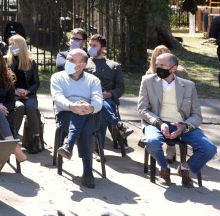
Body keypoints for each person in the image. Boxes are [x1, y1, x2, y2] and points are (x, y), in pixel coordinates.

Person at [138, 52, 217, 188]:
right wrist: (160, 123)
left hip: (182, 125)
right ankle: (164, 168)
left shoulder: (189, 85)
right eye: (157, 65)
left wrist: (184, 126)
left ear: (173, 68)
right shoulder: (147, 81)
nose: (158, 68)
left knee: (209, 148)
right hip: (156, 123)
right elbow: (142, 109)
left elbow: (197, 115)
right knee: (151, 142)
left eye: (162, 65)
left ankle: (185, 168)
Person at [50, 48, 103, 188]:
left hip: (90, 114)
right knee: (83, 123)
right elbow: (58, 97)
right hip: (65, 114)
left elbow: (98, 100)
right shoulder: (57, 77)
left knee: (84, 118)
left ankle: (68, 144)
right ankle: (88, 172)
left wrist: (90, 108)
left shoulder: (93, 80)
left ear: (82, 65)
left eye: (72, 60)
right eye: (68, 59)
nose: (68, 62)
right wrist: (72, 106)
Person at [86, 34, 133, 143]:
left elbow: (120, 87)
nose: (91, 48)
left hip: (107, 98)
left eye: (94, 45)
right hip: (88, 98)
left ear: (102, 48)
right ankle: (118, 125)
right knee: (99, 105)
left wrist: (110, 94)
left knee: (101, 111)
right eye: (90, 45)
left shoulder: (113, 65)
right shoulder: (84, 63)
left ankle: (100, 147)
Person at [7, 35, 41, 152]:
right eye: (10, 44)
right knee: (19, 107)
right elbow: (3, 82)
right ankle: (13, 139)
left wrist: (27, 91)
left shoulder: (31, 62)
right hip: (12, 95)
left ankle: (36, 140)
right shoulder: (7, 61)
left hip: (28, 94)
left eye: (14, 44)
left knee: (30, 107)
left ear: (21, 46)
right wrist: (14, 91)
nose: (11, 47)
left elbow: (36, 83)